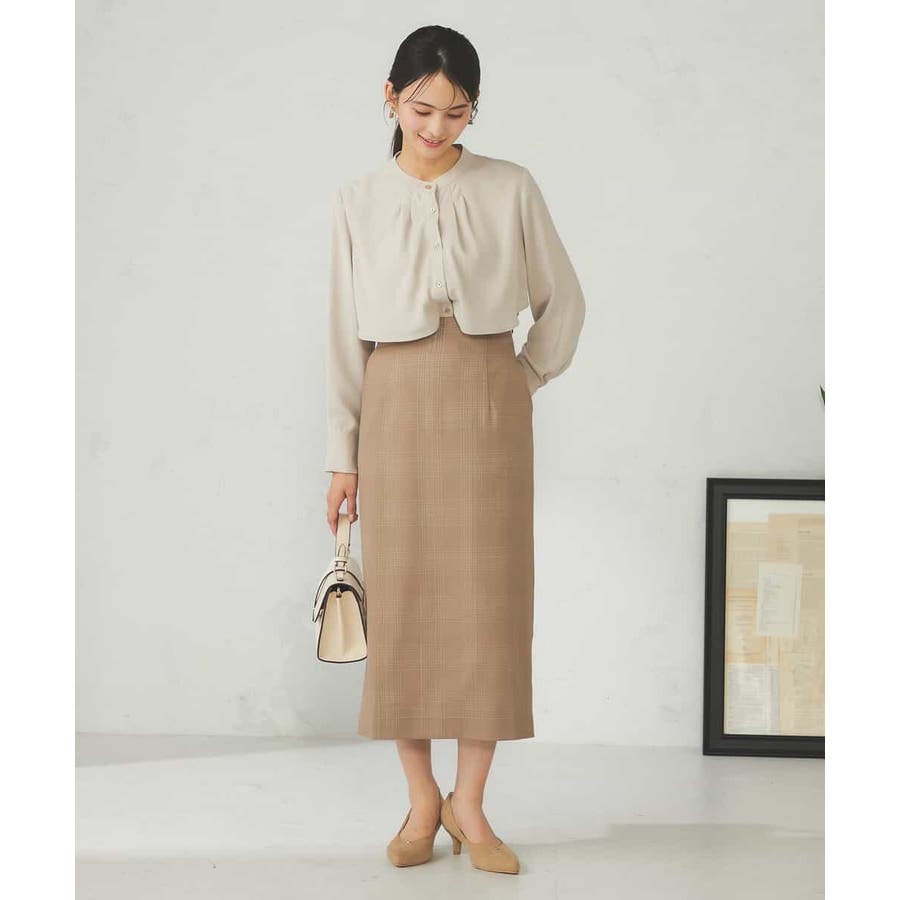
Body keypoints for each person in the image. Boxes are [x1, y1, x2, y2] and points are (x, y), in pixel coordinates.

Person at [323, 25, 586, 875]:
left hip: (487, 407)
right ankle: (421, 800)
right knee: (404, 605)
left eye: (457, 112)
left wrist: (521, 378)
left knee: (488, 606)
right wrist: (342, 457)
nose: (437, 128)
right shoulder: (358, 199)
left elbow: (564, 301)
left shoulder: (511, 187)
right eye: (422, 108)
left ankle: (470, 804)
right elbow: (343, 337)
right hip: (393, 408)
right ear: (390, 98)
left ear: (475, 109)